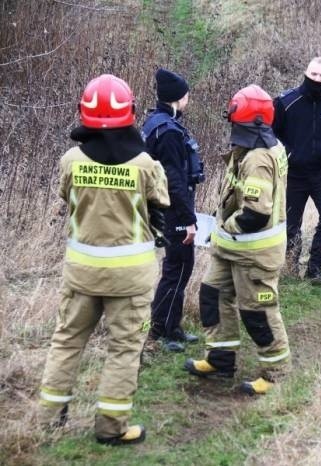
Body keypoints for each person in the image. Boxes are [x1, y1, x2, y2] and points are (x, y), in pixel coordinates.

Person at [38, 74, 170, 445]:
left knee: (66, 341)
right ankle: (112, 428)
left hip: (81, 272)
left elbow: (66, 199)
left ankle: (49, 418)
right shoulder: (145, 164)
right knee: (124, 349)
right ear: (129, 112)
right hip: (130, 276)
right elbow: (161, 209)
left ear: (84, 111)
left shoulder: (70, 160)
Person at [184, 85, 290, 396]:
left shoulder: (258, 158)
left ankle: (276, 373)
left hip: (253, 252)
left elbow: (255, 213)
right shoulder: (246, 148)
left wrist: (225, 227)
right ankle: (220, 358)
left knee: (258, 311)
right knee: (212, 296)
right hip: (230, 247)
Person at [272, 57, 321, 288]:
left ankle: (315, 268)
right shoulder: (287, 102)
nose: (317, 79)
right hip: (293, 174)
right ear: (306, 73)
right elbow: (271, 132)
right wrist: (286, 152)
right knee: (289, 224)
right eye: (314, 75)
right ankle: (289, 266)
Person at [143, 68, 203, 352]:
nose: (188, 98)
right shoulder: (167, 131)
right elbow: (174, 180)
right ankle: (162, 331)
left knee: (177, 266)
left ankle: (172, 326)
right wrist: (189, 219)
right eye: (186, 94)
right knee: (178, 267)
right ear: (179, 97)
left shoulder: (156, 123)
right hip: (173, 210)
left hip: (166, 208)